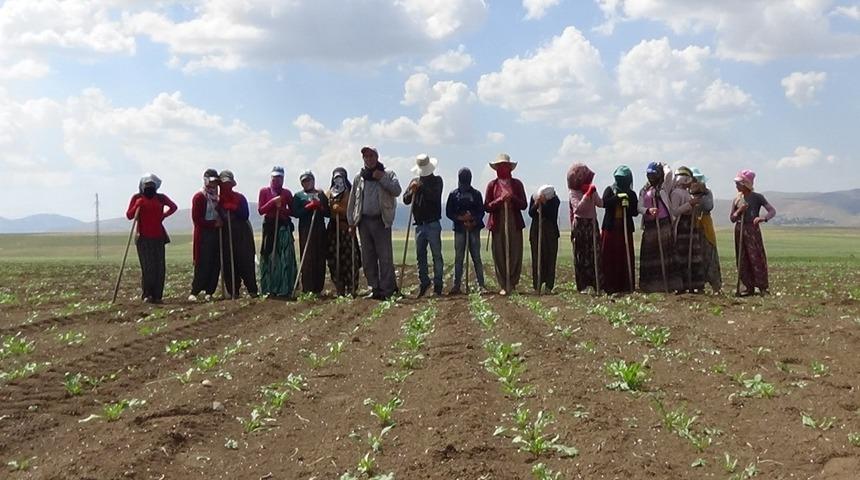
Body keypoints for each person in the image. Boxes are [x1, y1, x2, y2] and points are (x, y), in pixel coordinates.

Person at [347, 146, 402, 300]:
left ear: (377, 157)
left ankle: (388, 289)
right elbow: (353, 201)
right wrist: (351, 222)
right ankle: (374, 287)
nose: (369, 159)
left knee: (385, 257)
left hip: (381, 220)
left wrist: (381, 178)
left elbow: (397, 190)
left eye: (371, 156)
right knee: (368, 257)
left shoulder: (388, 174)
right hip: (363, 222)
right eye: (366, 156)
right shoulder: (359, 177)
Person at [125, 173, 177, 304]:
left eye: (152, 185)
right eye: (147, 185)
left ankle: (158, 295)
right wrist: (137, 205)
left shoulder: (160, 198)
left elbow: (174, 207)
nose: (150, 188)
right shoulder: (137, 198)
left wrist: (164, 215)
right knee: (148, 267)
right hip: (143, 238)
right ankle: (147, 294)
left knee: (160, 267)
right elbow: (129, 215)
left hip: (159, 236)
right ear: (142, 186)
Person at [484, 153, 527, 296]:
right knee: (499, 253)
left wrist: (512, 198)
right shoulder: (492, 185)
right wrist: (500, 200)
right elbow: (487, 206)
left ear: (509, 168)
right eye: (499, 166)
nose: (502, 169)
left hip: (514, 222)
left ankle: (512, 283)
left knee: (515, 252)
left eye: (505, 166)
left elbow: (523, 205)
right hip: (498, 223)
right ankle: (503, 284)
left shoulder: (517, 184)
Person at [403, 154, 444, 297]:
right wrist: (411, 191)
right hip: (419, 225)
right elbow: (405, 199)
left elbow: (434, 196)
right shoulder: (414, 181)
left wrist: (421, 188)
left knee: (436, 255)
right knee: (420, 256)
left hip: (433, 223)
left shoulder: (437, 181)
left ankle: (438, 285)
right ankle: (424, 282)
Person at [730, 169, 775, 296]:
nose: (736, 186)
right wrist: (739, 211)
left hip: (752, 230)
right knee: (742, 258)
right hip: (740, 229)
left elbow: (772, 211)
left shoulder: (757, 197)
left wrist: (763, 218)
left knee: (756, 257)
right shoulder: (737, 199)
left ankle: (762, 287)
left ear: (746, 184)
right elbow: (732, 218)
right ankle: (748, 286)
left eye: (739, 183)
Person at [638, 162, 679, 293]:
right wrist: (648, 211)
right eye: (648, 174)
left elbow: (669, 173)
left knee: (665, 253)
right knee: (651, 254)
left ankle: (667, 283)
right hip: (650, 226)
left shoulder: (664, 187)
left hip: (663, 224)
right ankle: (650, 285)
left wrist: (663, 164)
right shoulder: (644, 190)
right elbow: (639, 207)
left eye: (653, 174)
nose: (650, 177)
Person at [445, 167, 486, 295]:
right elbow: (449, 212)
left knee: (476, 257)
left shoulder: (476, 194)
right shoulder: (453, 194)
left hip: (473, 229)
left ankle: (481, 285)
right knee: (459, 258)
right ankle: (457, 285)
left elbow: (481, 211)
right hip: (459, 229)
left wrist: (472, 220)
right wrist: (461, 218)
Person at [258, 166, 298, 297]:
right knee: (268, 256)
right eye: (275, 178)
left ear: (283, 178)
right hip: (269, 227)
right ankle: (269, 287)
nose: (277, 180)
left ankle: (285, 288)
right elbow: (261, 210)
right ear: (271, 178)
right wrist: (273, 202)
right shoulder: (264, 191)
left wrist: (281, 210)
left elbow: (294, 212)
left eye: (280, 178)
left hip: (283, 227)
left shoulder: (286, 193)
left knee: (284, 258)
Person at [218, 170, 258, 298]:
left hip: (242, 235)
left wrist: (234, 208)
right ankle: (233, 291)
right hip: (226, 235)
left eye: (229, 184)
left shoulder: (240, 198)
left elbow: (245, 215)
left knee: (246, 262)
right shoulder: (217, 201)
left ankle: (252, 290)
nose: (227, 187)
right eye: (224, 185)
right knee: (229, 263)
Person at [600, 165, 639, 294]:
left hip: (624, 229)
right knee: (609, 256)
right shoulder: (610, 190)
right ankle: (609, 285)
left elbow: (634, 212)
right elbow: (604, 203)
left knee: (623, 256)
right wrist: (616, 199)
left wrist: (627, 204)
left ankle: (625, 285)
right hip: (611, 229)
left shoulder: (631, 194)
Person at [567, 163, 604, 292]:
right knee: (581, 254)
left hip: (592, 223)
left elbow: (600, 203)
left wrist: (593, 193)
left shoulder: (590, 189)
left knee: (594, 253)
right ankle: (583, 285)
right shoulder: (573, 193)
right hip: (580, 226)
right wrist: (587, 195)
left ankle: (596, 283)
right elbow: (578, 209)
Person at [293, 170, 330, 296]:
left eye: (308, 180)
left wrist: (320, 206)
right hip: (305, 230)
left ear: (313, 181)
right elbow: (295, 213)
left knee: (320, 258)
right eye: (304, 181)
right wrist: (308, 207)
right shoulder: (298, 196)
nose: (306, 183)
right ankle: (307, 288)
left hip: (319, 230)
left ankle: (318, 288)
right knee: (307, 258)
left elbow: (328, 213)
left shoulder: (320, 194)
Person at [326, 167, 362, 297]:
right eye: (336, 177)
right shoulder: (329, 193)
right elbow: (325, 210)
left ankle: (352, 288)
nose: (338, 180)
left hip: (347, 229)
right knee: (334, 259)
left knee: (350, 259)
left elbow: (354, 209)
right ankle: (339, 287)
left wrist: (341, 210)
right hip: (333, 231)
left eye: (341, 177)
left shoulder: (351, 192)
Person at [669, 166, 704, 293]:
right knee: (682, 256)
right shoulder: (676, 193)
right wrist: (690, 204)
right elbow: (674, 211)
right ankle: (682, 285)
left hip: (690, 227)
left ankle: (694, 284)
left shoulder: (686, 193)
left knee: (692, 256)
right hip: (682, 228)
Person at [189, 169, 222, 301]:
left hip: (216, 234)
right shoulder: (199, 197)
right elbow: (197, 219)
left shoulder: (218, 198)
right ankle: (195, 291)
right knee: (202, 262)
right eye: (212, 182)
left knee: (215, 262)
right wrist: (213, 224)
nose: (213, 185)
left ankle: (210, 291)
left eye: (216, 182)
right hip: (203, 235)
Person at [690, 168, 721, 293]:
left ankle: (716, 285)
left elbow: (709, 206)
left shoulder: (707, 194)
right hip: (692, 227)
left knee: (710, 255)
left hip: (705, 227)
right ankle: (698, 285)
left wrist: (702, 195)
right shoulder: (688, 194)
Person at [528, 185, 560, 294]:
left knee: (550, 258)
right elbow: (531, 213)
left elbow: (551, 214)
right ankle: (537, 284)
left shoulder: (555, 200)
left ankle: (548, 286)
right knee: (537, 257)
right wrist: (537, 203)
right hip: (536, 232)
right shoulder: (534, 198)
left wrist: (545, 204)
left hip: (550, 233)